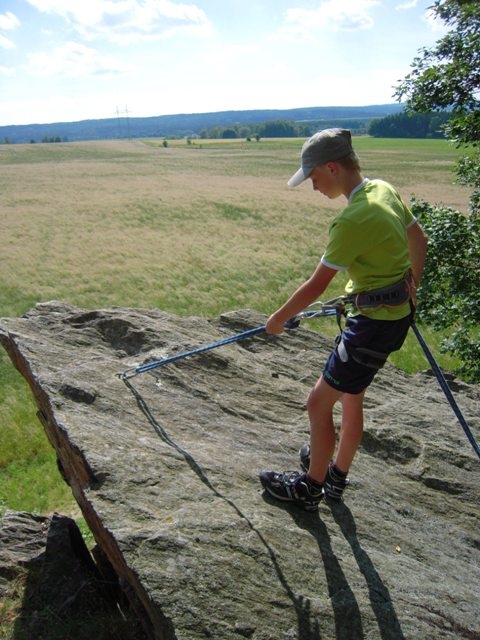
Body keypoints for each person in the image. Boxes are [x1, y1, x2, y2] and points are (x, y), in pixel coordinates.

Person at [259, 128, 428, 511]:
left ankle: (311, 488)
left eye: (314, 177)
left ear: (332, 167)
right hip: (392, 318)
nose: (314, 186)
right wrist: (411, 288)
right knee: (352, 396)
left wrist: (279, 318)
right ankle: (336, 474)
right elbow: (419, 240)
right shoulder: (383, 189)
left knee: (318, 404)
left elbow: (317, 285)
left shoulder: (352, 220)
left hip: (369, 327)